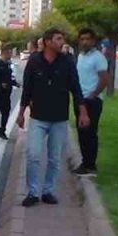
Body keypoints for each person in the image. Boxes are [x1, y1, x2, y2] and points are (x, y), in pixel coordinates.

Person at [16, 29, 89, 207]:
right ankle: (32, 192)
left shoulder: (67, 62)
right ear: (48, 42)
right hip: (38, 117)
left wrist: (83, 112)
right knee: (33, 154)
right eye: (58, 38)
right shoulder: (34, 61)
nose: (62, 42)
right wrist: (21, 113)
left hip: (59, 118)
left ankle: (48, 190)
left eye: (62, 38)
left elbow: (76, 88)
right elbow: (27, 89)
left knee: (54, 158)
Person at [72, 28, 111, 177]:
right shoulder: (80, 56)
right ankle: (85, 162)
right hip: (80, 99)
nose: (85, 42)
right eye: (82, 39)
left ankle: (90, 165)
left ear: (93, 41)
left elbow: (104, 79)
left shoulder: (98, 57)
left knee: (90, 132)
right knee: (82, 132)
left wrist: (94, 95)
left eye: (88, 39)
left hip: (92, 101)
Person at [0, 47, 18, 140]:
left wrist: (15, 83)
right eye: (8, 53)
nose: (10, 55)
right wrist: (0, 84)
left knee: (5, 113)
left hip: (6, 94)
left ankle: (2, 131)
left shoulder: (8, 65)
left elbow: (9, 77)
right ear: (3, 54)